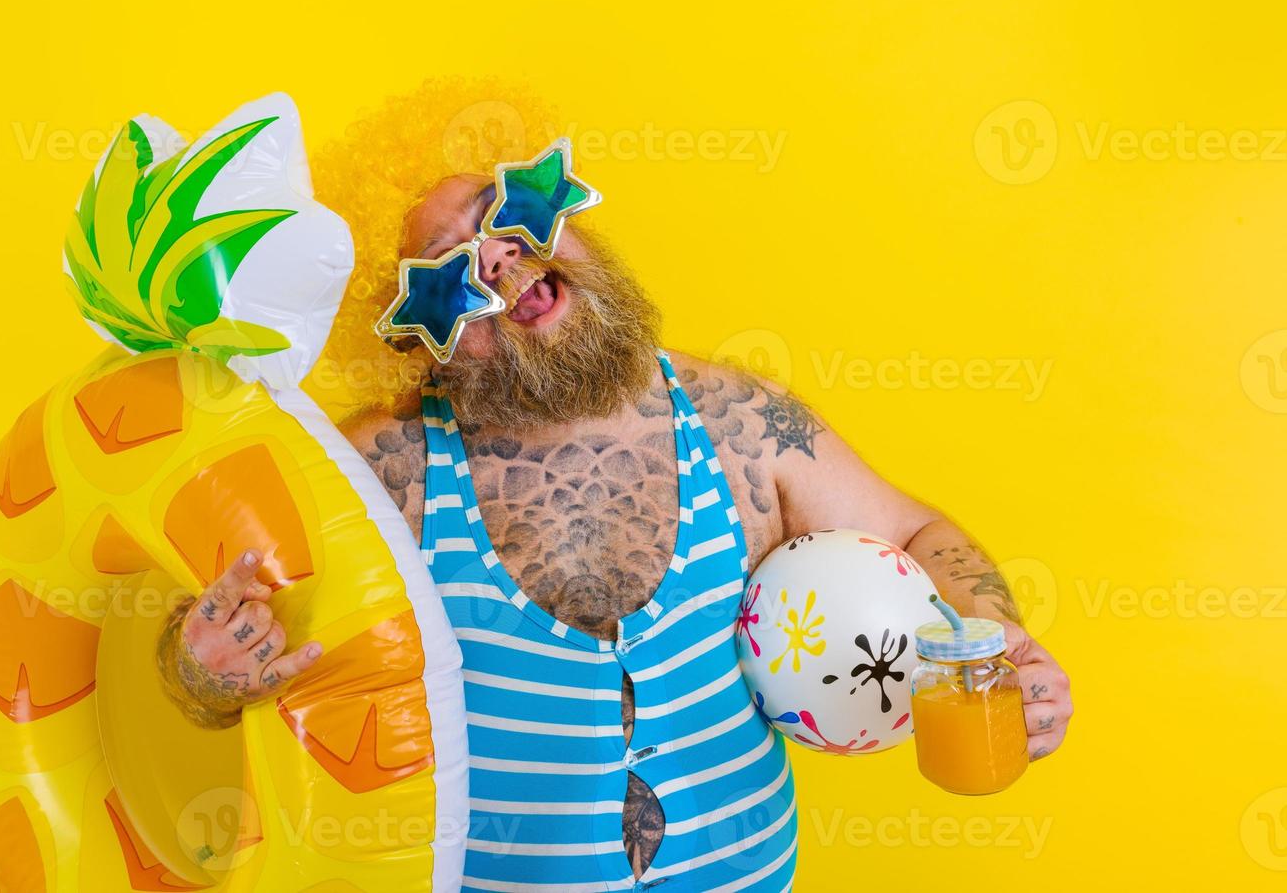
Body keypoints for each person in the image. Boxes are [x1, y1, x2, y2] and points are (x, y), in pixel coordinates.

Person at [158, 83, 1073, 891]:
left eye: (511, 213)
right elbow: (215, 642)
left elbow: (915, 537)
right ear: (408, 336)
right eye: (446, 273)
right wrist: (200, 670)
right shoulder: (380, 470)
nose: (497, 260)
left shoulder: (738, 422)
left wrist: (1007, 646)